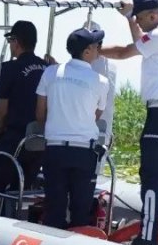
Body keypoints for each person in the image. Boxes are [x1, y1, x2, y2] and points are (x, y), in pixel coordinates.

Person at [100, 0, 158, 245]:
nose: (138, 23)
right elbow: (141, 41)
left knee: (150, 175)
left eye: (140, 19)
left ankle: (148, 238)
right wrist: (130, 18)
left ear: (154, 15)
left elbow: (124, 51)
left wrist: (91, 51)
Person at [35, 27, 109, 229]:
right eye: (97, 46)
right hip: (84, 151)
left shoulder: (50, 73)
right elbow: (96, 115)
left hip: (55, 149)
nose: (99, 50)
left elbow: (40, 113)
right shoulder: (101, 81)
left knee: (54, 209)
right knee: (81, 211)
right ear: (87, 51)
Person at [0, 20, 48, 212]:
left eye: (11, 41)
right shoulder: (48, 68)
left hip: (14, 140)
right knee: (24, 190)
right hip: (38, 143)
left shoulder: (10, 69)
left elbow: (2, 111)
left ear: (16, 42)